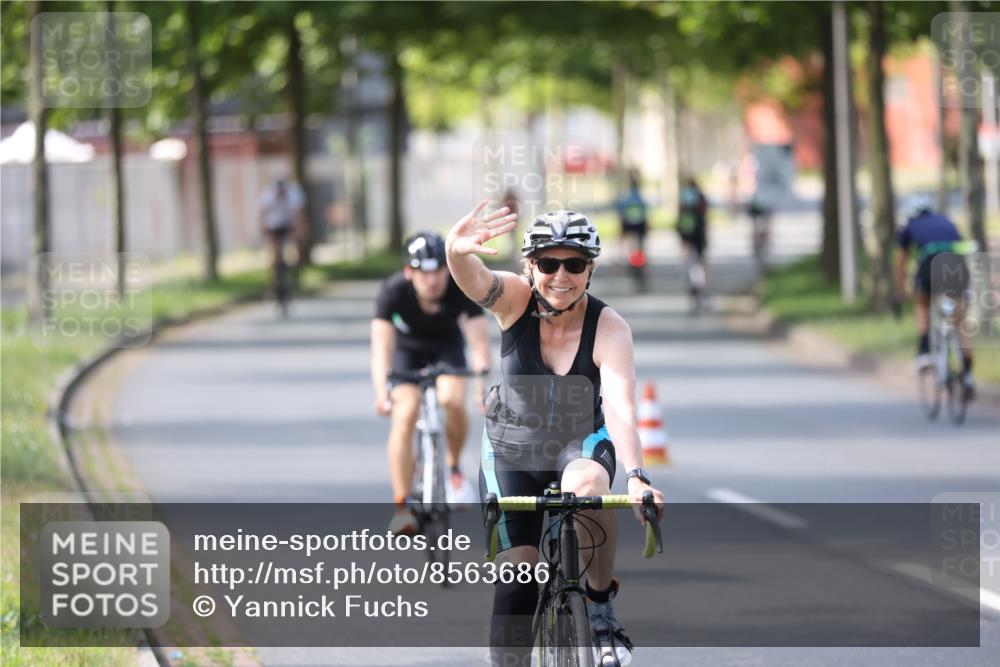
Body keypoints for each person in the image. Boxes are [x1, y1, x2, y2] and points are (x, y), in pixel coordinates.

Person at [445, 202, 665, 667]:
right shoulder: (515, 300)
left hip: (578, 444)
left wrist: (638, 476)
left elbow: (622, 406)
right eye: (548, 263)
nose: (560, 275)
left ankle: (600, 608)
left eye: (575, 264)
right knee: (518, 579)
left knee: (587, 489)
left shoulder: (610, 327)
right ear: (530, 266)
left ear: (590, 270)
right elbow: (474, 279)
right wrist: (455, 250)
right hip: (511, 450)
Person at [371, 232, 492, 535]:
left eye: (439, 269)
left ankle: (453, 471)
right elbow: (381, 349)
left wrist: (482, 387)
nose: (433, 279)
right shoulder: (393, 292)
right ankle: (402, 505)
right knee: (406, 411)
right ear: (409, 272)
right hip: (406, 353)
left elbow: (479, 344)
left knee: (453, 399)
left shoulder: (459, 288)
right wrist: (381, 393)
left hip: (446, 349)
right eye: (424, 272)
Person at [894, 194, 975, 397]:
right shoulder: (947, 221)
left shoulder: (910, 226)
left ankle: (923, 353)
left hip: (930, 261)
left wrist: (902, 292)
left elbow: (900, 263)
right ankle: (967, 376)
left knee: (922, 303)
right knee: (959, 321)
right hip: (955, 264)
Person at [259, 178, 306, 279]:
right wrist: (263, 229)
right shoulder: (268, 196)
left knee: (294, 247)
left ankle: (296, 274)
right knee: (272, 251)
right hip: (274, 225)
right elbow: (262, 213)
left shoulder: (293, 195)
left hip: (289, 223)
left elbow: (300, 213)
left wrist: (299, 230)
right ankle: (272, 281)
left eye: (282, 193)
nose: (280, 195)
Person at [677, 177, 709, 296]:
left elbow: (680, 212)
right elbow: (705, 214)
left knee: (685, 251)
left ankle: (684, 271)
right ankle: (703, 283)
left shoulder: (684, 195)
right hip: (699, 230)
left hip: (686, 229)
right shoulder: (701, 197)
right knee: (701, 258)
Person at [616, 169, 649, 273]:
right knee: (640, 243)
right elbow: (644, 210)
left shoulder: (626, 196)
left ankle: (631, 260)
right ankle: (640, 262)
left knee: (630, 243)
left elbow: (620, 210)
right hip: (639, 223)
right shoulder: (639, 196)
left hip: (628, 223)